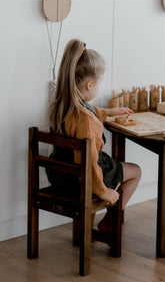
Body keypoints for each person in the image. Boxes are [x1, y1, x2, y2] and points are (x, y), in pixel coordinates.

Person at [48, 39, 141, 232]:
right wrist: (102, 191)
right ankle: (110, 221)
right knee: (135, 171)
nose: (99, 87)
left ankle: (106, 218)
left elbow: (87, 115)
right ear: (90, 85)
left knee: (113, 166)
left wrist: (108, 113)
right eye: (99, 84)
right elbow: (88, 162)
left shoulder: (62, 105)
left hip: (60, 176)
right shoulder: (86, 121)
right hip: (83, 179)